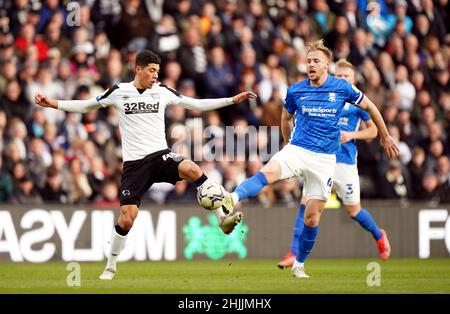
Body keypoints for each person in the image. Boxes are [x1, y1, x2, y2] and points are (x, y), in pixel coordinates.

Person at [34, 50, 257, 280]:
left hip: (160, 156)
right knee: (127, 218)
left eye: (157, 72)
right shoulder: (119, 92)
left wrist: (231, 100)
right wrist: (54, 104)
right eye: (151, 71)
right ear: (138, 69)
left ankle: (222, 216)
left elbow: (195, 105)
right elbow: (87, 106)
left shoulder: (162, 91)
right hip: (135, 165)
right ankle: (110, 266)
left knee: (192, 168)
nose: (155, 76)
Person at [222, 40, 399, 278]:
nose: (311, 65)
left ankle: (300, 264)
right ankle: (231, 198)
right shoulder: (296, 90)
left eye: (316, 61)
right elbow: (286, 119)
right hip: (298, 150)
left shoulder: (343, 90)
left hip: (328, 160)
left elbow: (373, 108)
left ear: (327, 64)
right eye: (308, 61)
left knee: (314, 216)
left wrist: (385, 137)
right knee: (268, 172)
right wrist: (287, 145)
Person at [277, 59, 391, 270]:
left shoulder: (358, 103)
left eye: (346, 76)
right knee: (305, 205)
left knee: (354, 211)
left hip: (345, 163)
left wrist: (351, 135)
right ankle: (293, 253)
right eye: (339, 76)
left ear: (353, 80)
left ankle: (378, 234)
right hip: (320, 159)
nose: (342, 79)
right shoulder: (325, 96)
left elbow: (373, 131)